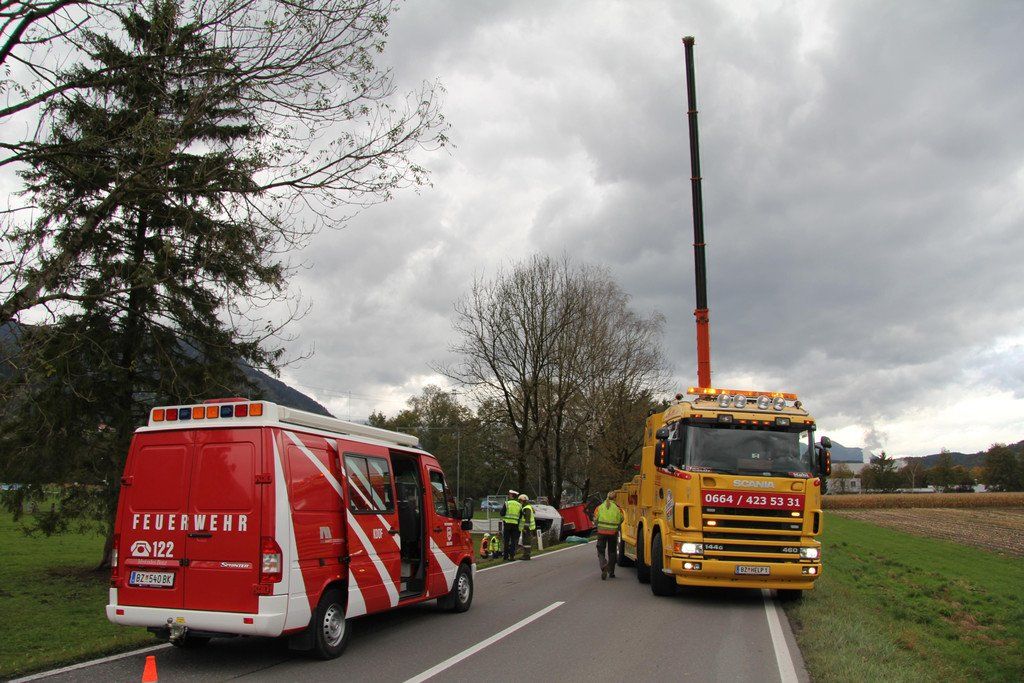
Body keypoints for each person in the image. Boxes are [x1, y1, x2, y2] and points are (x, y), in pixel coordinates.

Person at [593, 491, 624, 580]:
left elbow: (595, 519)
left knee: (600, 551)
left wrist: (598, 525)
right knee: (612, 552)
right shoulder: (618, 509)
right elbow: (622, 519)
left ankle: (604, 566)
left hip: (601, 532)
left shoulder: (599, 507)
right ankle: (611, 572)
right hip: (613, 533)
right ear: (615, 498)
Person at [499, 490, 522, 561]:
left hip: (507, 524)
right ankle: (512, 556)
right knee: (513, 541)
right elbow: (520, 516)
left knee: (506, 541)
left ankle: (505, 557)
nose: (509, 495)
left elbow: (502, 513)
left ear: (512, 495)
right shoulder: (519, 505)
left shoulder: (507, 503)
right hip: (515, 524)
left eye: (509, 494)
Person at [518, 494, 536, 561]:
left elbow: (527, 519)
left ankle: (526, 555)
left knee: (526, 542)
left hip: (527, 528)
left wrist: (525, 528)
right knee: (525, 542)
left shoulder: (526, 508)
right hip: (527, 528)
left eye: (520, 501)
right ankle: (526, 555)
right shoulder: (527, 507)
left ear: (523, 501)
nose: (519, 502)